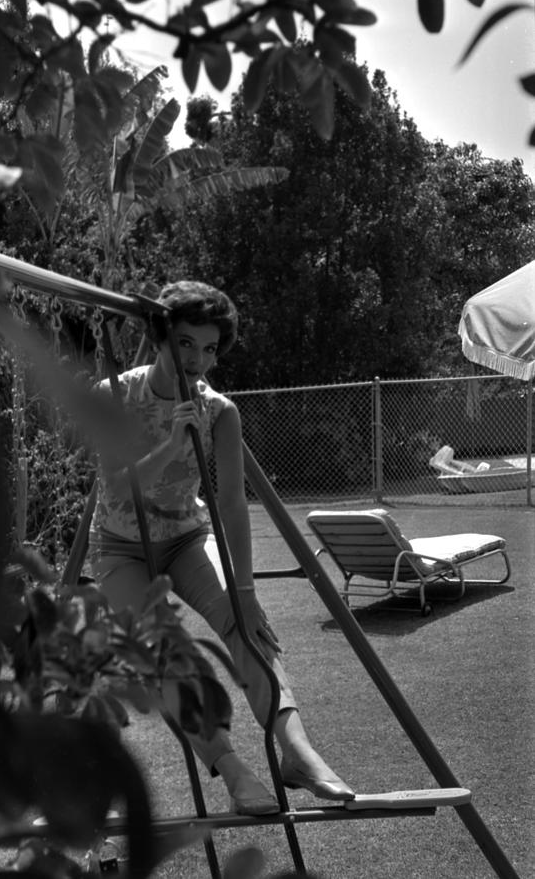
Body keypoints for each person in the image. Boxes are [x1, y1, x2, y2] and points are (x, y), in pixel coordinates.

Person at [88, 281, 354, 815]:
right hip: (120, 546)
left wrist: (246, 590)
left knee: (247, 623)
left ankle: (297, 753)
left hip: (187, 536)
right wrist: (169, 444)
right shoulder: (112, 395)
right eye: (186, 344)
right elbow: (115, 487)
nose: (198, 361)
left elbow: (232, 503)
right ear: (161, 337)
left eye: (209, 349)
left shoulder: (219, 411)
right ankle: (233, 772)